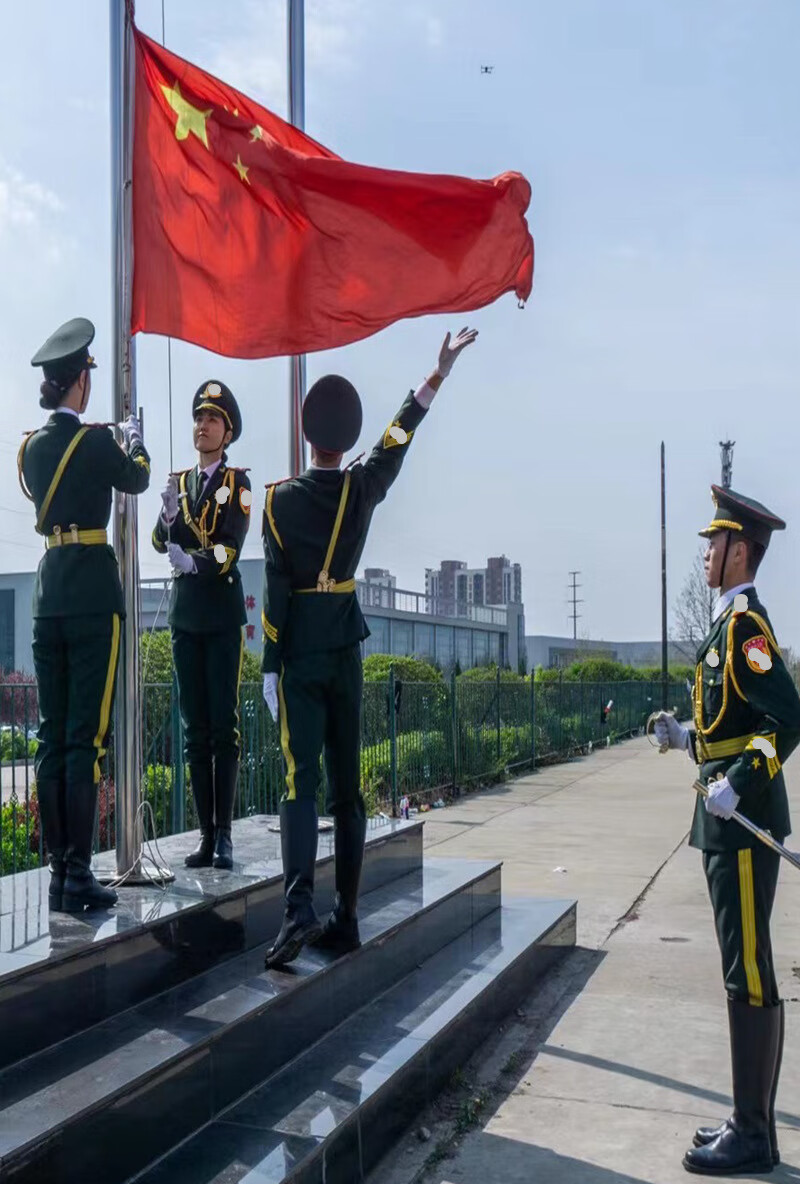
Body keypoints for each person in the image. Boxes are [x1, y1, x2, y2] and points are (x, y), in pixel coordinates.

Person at [261, 328, 478, 968]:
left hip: (299, 651)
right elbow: (398, 438)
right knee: (347, 786)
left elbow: (275, 594)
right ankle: (347, 917)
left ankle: (298, 909)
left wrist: (271, 665)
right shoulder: (361, 489)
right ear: (345, 439)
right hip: (346, 650)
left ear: (307, 436)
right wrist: (435, 375)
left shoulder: (277, 503)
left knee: (300, 780)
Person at [654, 485, 800, 1175]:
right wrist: (686, 739)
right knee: (739, 965)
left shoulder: (747, 630)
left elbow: (787, 721)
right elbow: (730, 728)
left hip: (743, 827)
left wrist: (739, 782)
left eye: (714, 543)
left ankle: (753, 1136)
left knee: (749, 966)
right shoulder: (724, 628)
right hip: (720, 823)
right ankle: (752, 1125)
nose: (706, 554)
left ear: (740, 550)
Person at [18, 317, 151, 911]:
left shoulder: (30, 448)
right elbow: (139, 479)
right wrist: (135, 439)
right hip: (95, 597)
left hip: (49, 599)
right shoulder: (98, 443)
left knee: (51, 733)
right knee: (85, 739)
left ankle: (56, 871)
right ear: (81, 385)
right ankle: (77, 870)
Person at [152, 382, 251, 870]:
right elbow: (157, 540)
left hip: (220, 615)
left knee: (223, 725)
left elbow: (230, 545)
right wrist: (166, 514)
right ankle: (205, 835)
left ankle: (226, 834)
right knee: (194, 730)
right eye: (198, 418)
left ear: (227, 430)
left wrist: (192, 561)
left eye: (212, 419)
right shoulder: (181, 481)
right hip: (186, 617)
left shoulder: (238, 483)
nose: (202, 426)